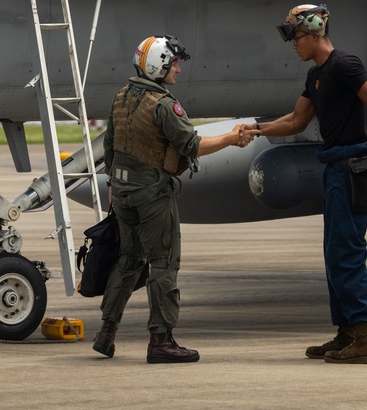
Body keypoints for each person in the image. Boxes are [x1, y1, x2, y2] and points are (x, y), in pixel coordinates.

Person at [250, 4, 367, 364]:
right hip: (337, 171)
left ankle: (365, 338)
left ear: (315, 32)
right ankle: (347, 333)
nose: (293, 45)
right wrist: (255, 129)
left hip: (355, 170)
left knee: (347, 253)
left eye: (296, 37)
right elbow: (295, 120)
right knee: (334, 255)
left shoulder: (345, 65)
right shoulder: (316, 76)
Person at [92, 35, 253, 363]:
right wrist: (231, 138)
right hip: (152, 195)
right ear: (157, 66)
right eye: (173, 63)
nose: (178, 69)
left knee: (128, 261)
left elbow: (110, 147)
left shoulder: (122, 96)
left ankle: (106, 332)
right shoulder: (164, 105)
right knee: (163, 263)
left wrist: (114, 189)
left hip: (123, 194)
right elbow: (192, 146)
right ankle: (161, 341)